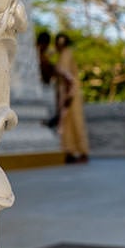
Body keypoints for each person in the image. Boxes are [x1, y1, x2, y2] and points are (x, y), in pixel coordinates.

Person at [52, 32, 89, 163]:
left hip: (71, 94)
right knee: (67, 122)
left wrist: (69, 96)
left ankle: (83, 152)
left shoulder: (66, 54)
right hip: (67, 93)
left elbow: (68, 77)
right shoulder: (63, 54)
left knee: (75, 121)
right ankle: (70, 152)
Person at [36, 30, 61, 129]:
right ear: (44, 43)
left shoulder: (40, 54)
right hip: (41, 87)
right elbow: (47, 74)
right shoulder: (40, 55)